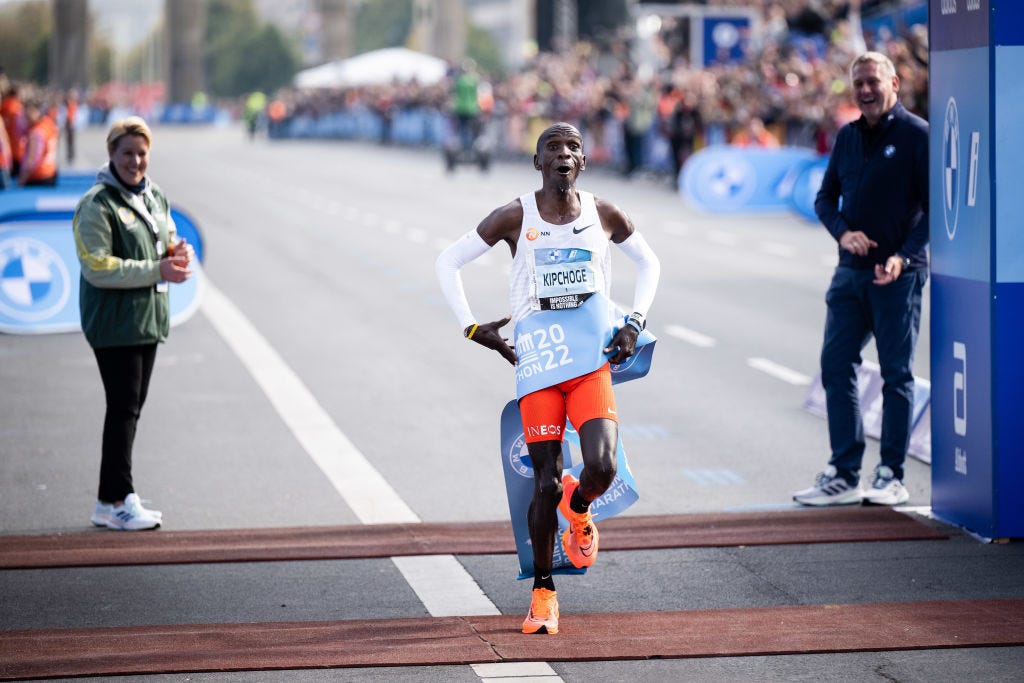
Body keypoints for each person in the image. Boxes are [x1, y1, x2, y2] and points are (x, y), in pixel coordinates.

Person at [435, 122, 660, 634]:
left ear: (583, 162)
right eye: (553, 147)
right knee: (545, 481)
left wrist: (634, 322)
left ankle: (579, 510)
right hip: (538, 366)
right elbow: (447, 262)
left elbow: (650, 263)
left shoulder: (604, 214)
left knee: (599, 470)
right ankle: (543, 594)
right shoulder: (516, 215)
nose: (564, 153)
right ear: (538, 162)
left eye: (574, 147)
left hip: (588, 363)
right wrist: (472, 327)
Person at [794, 52, 928, 507]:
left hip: (897, 277)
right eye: (859, 84)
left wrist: (905, 259)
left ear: (893, 81)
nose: (866, 91)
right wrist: (843, 233)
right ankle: (844, 473)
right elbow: (825, 199)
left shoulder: (916, 135)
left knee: (896, 375)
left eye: (873, 81)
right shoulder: (848, 136)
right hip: (849, 275)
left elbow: (935, 211)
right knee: (835, 366)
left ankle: (891, 473)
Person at [73, 116, 195, 530]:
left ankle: (108, 502)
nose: (135, 161)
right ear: (111, 154)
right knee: (123, 408)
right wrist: (158, 269)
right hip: (113, 321)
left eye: (142, 154)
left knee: (129, 409)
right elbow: (98, 267)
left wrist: (179, 252)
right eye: (127, 153)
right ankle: (122, 498)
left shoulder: (154, 194)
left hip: (146, 317)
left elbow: (168, 237)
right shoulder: (96, 204)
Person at [16, 98, 58, 187]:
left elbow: (32, 159)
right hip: (50, 172)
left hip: (38, 175)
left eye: (29, 113)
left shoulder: (35, 131)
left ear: (38, 111)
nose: (26, 116)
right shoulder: (48, 123)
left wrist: (22, 179)